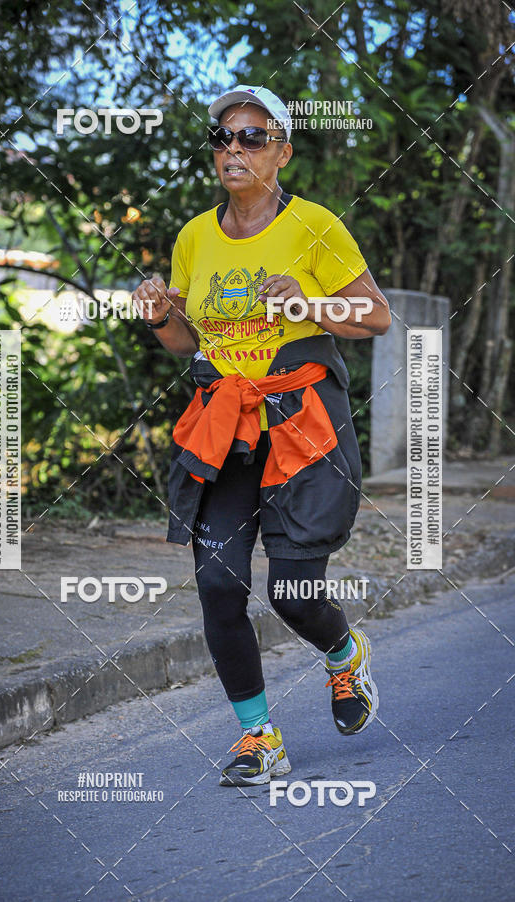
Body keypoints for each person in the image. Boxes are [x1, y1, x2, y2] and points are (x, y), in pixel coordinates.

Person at [132, 85, 391, 787]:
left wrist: (311, 302)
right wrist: (161, 317)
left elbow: (375, 318)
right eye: (223, 138)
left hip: (302, 425)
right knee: (218, 584)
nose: (234, 149)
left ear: (283, 150)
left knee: (293, 593)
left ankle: (344, 658)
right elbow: (187, 342)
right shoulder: (194, 236)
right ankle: (260, 738)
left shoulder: (315, 226)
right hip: (227, 424)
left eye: (251, 137)